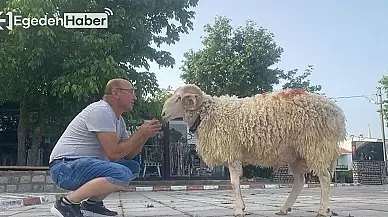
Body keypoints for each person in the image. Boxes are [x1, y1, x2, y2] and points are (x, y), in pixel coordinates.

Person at [48, 78, 162, 217]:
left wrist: (144, 136)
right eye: (131, 92)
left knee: (132, 167)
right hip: (65, 167)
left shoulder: (118, 120)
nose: (134, 97)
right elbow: (113, 154)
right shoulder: (101, 110)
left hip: (79, 166)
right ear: (116, 93)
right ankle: (65, 204)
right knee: (121, 173)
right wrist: (139, 133)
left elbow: (128, 155)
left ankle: (92, 205)